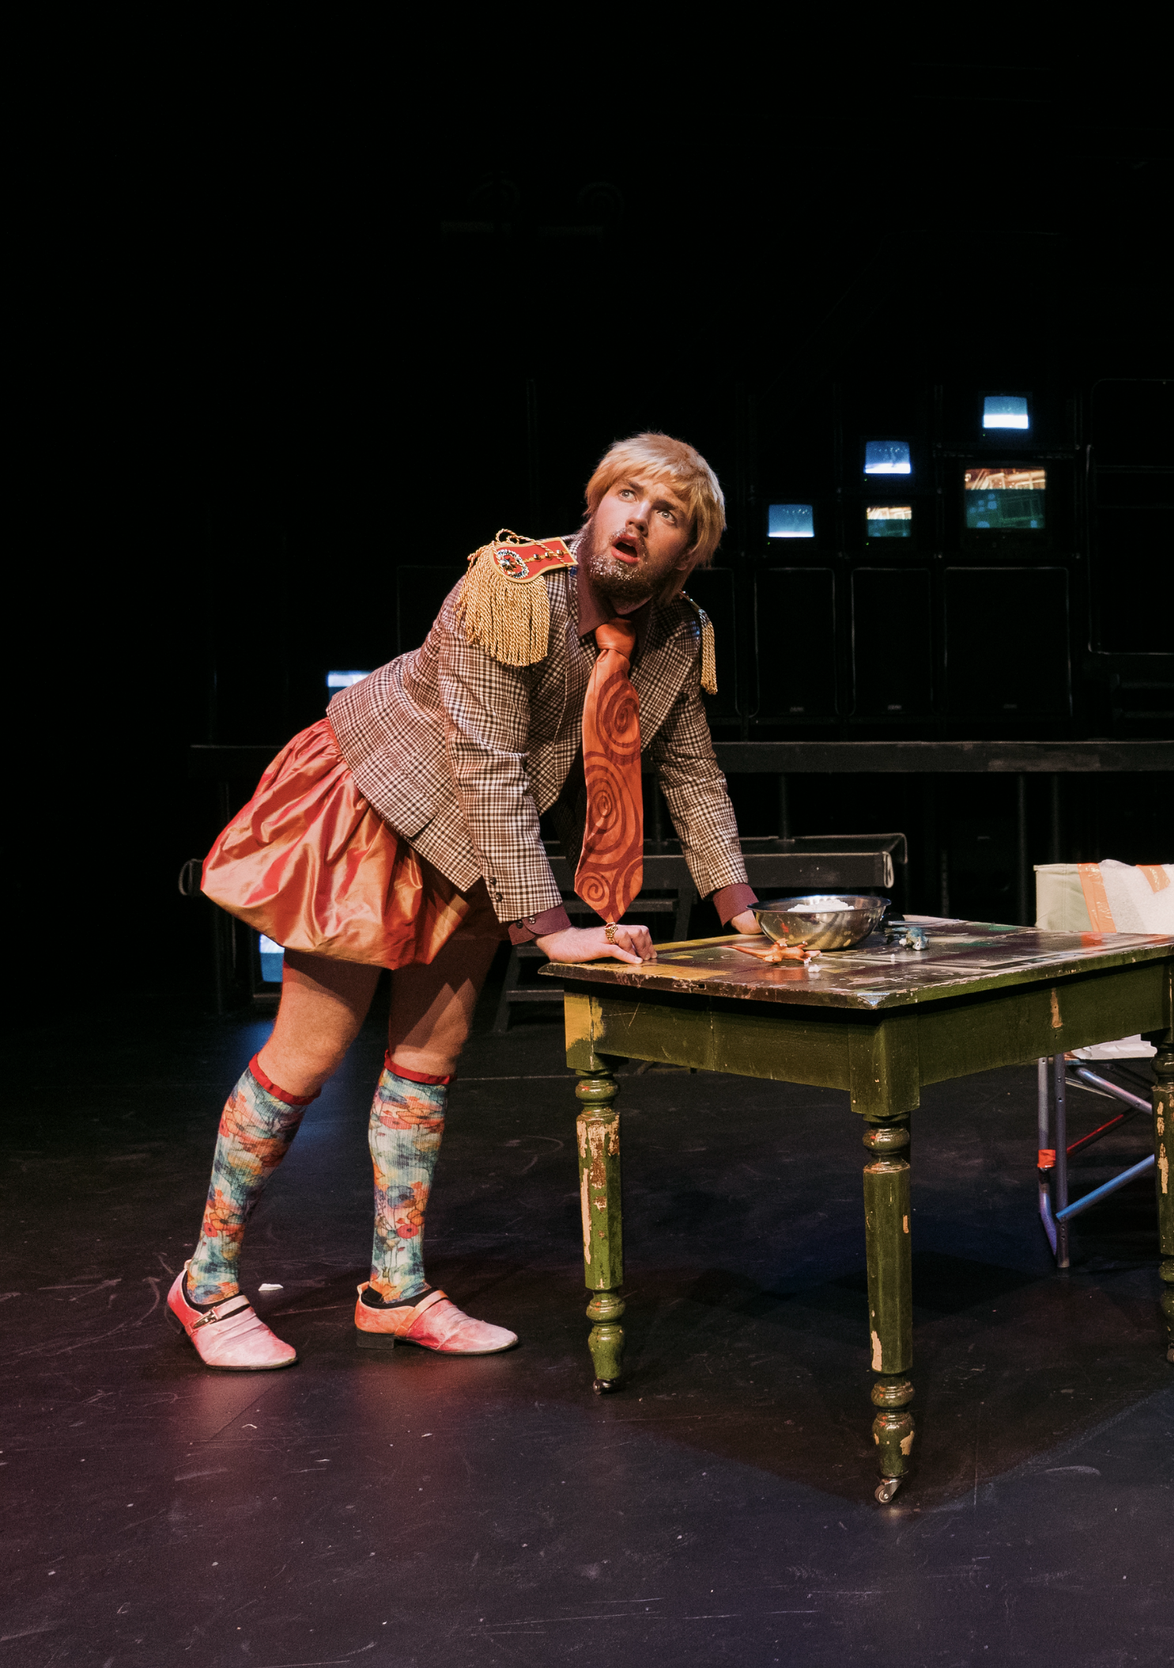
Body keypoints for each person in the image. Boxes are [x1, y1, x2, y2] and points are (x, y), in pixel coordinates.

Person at [173, 433, 761, 1370]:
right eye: (625, 497)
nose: (636, 521)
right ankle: (205, 1285)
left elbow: (691, 772)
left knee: (428, 1058)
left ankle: (393, 1290)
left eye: (667, 515)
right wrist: (552, 931)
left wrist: (745, 915)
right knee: (310, 1053)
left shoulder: (676, 634)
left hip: (483, 848)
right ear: (596, 503)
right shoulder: (508, 585)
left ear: (687, 553)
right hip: (383, 800)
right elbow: (486, 764)